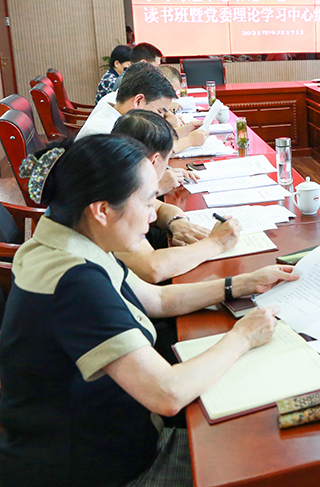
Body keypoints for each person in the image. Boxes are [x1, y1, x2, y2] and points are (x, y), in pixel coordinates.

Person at [0, 134, 297, 487]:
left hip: (108, 435)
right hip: (102, 469)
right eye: (146, 201)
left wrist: (243, 283)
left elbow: (156, 299)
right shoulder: (74, 281)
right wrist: (243, 336)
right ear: (101, 210)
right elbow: (167, 393)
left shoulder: (67, 242)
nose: (155, 213)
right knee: (261, 454)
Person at [112, 110, 241, 282]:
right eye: (169, 158)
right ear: (154, 160)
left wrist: (177, 222)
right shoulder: (115, 194)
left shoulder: (119, 170)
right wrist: (216, 243)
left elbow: (160, 208)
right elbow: (152, 268)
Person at [78, 62, 177, 139]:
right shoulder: (102, 133)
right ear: (138, 101)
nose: (161, 119)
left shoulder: (126, 122)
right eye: (159, 112)